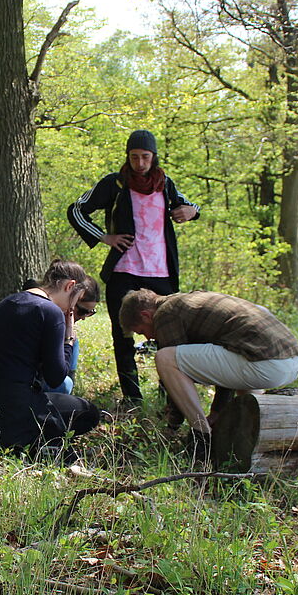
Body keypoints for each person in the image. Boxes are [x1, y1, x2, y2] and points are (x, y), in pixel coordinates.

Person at [68, 129, 200, 403]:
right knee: (124, 332)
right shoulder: (115, 184)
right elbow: (77, 210)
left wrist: (192, 212)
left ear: (154, 158)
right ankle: (133, 397)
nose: (140, 163)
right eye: (135, 157)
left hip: (161, 271)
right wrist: (104, 237)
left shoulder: (165, 184)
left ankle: (170, 395)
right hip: (124, 270)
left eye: (145, 157)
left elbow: (191, 206)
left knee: (170, 334)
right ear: (128, 157)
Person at [118, 289, 298, 455]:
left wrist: (173, 424)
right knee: (242, 401)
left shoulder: (165, 314)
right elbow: (223, 363)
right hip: (291, 361)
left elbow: (174, 372)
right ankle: (252, 441)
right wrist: (217, 412)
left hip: (266, 362)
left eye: (142, 331)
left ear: (146, 315)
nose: (148, 338)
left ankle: (201, 438)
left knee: (165, 358)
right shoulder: (191, 300)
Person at [0, 260, 101, 459]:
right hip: (11, 407)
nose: (72, 310)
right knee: (88, 413)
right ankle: (29, 444)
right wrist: (69, 338)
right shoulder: (52, 312)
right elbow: (56, 377)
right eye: (77, 301)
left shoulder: (9, 301)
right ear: (70, 286)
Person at [38, 278, 99, 395]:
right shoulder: (50, 318)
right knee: (65, 384)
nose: (84, 317)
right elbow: (55, 377)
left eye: (90, 313)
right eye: (82, 311)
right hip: (34, 382)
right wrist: (67, 340)